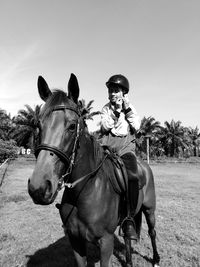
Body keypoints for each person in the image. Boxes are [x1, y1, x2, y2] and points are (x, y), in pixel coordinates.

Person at [100, 74, 140, 240]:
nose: (112, 94)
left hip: (125, 148)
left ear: (124, 92)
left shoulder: (131, 108)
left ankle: (129, 219)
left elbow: (136, 126)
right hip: (108, 146)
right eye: (110, 90)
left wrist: (126, 109)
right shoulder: (106, 108)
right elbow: (104, 126)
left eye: (115, 90)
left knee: (132, 175)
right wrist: (116, 111)